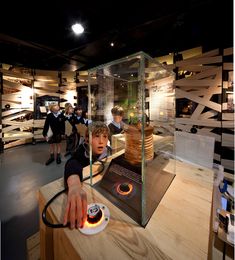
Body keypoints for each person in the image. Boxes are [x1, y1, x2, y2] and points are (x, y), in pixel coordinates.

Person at [63, 121, 110, 229]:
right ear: (87, 139)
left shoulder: (108, 152)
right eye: (96, 136)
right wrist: (74, 183)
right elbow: (72, 163)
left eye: (105, 137)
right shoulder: (81, 152)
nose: (101, 141)